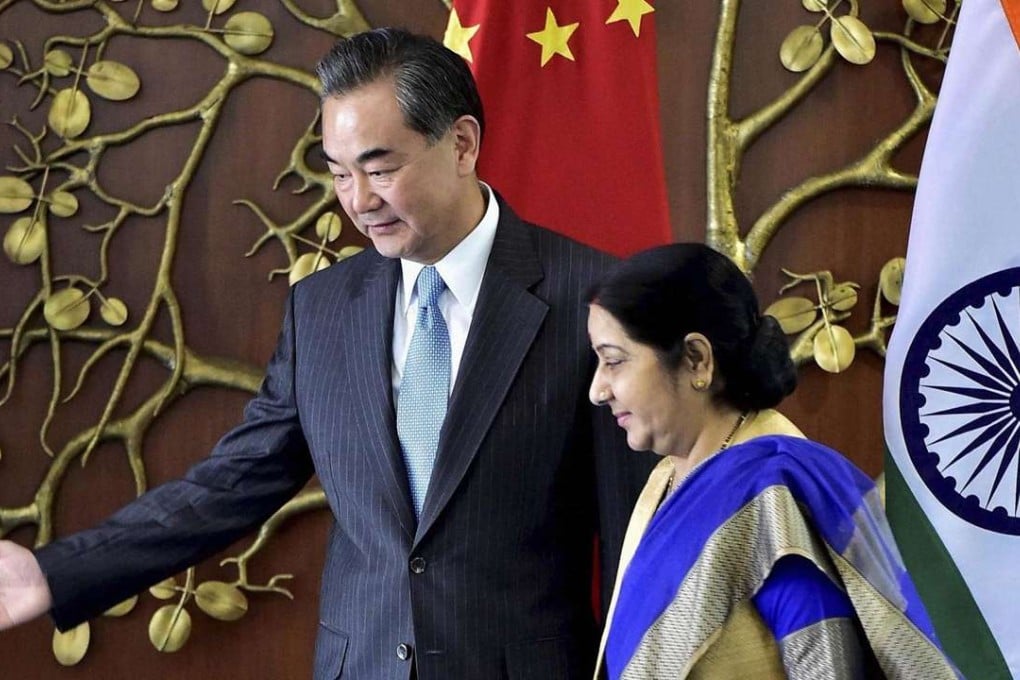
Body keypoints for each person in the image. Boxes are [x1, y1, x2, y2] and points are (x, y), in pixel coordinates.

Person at [0, 28, 652, 679]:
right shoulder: (321, 310)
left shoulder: (593, 300)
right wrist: (54, 573)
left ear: (461, 144)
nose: (359, 202)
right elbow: (232, 483)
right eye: (340, 173)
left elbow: (639, 541)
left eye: (380, 168)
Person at [585, 243, 959, 679]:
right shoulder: (667, 478)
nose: (598, 389)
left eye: (614, 361)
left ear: (696, 359)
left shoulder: (771, 494)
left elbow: (826, 668)